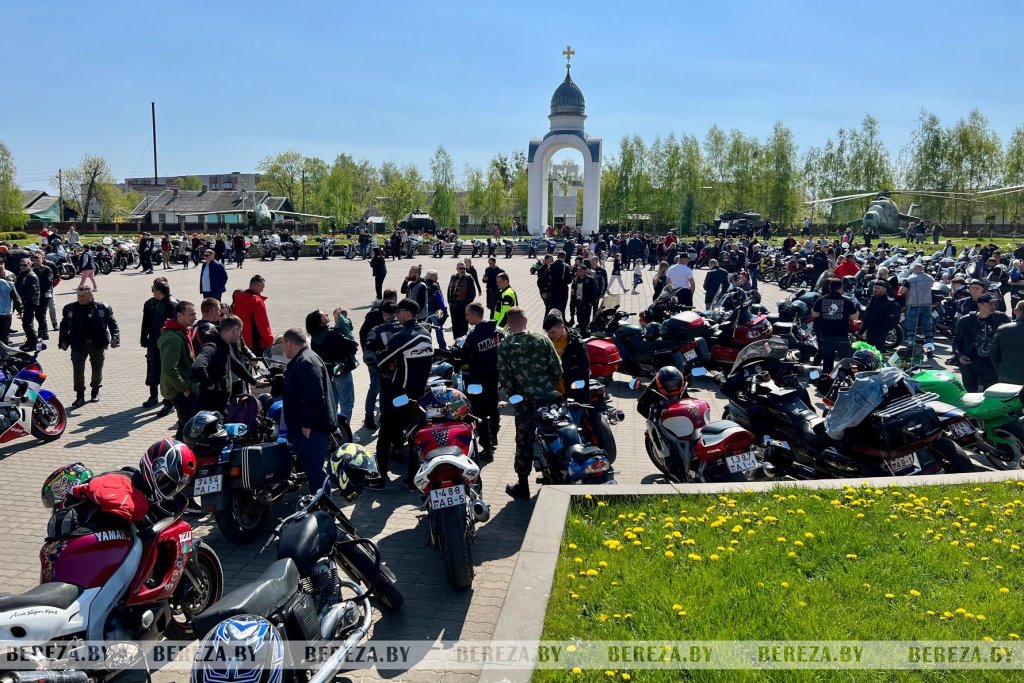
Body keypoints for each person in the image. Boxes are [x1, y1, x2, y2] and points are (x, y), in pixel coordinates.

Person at [497, 307, 562, 500]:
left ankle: (523, 485)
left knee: (524, 441)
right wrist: (546, 385)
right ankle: (562, 473)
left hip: (525, 403)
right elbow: (557, 369)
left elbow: (505, 379)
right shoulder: (541, 339)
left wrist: (516, 394)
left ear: (509, 324)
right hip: (549, 398)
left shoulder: (505, 346)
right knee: (557, 433)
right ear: (526, 320)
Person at [375, 299, 433, 489]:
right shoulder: (426, 334)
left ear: (407, 313)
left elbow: (381, 362)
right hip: (420, 396)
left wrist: (392, 365)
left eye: (399, 311)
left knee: (384, 436)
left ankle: (380, 479)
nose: (396, 314)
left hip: (400, 396)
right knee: (415, 438)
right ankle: (412, 480)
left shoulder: (401, 337)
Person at [280, 328, 337, 494]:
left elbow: (314, 397)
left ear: (290, 343)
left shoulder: (306, 362)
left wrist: (306, 425)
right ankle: (319, 509)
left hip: (313, 430)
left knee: (316, 474)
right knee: (313, 472)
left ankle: (324, 513)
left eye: (284, 344)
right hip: (311, 428)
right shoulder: (306, 358)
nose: (283, 349)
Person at [58, 286, 120, 408]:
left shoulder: (103, 308)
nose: (80, 298)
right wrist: (63, 341)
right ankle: (80, 395)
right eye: (78, 296)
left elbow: (113, 324)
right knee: (78, 371)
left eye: (83, 296)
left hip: (97, 344)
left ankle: (95, 390)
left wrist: (115, 338)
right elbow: (64, 326)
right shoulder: (70, 308)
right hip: (78, 344)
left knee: (97, 368)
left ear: (91, 296)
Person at [191, 314, 260, 415]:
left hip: (221, 406)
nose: (240, 335)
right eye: (240, 331)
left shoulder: (224, 346)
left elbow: (236, 366)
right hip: (208, 409)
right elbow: (197, 367)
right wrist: (210, 384)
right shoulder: (212, 347)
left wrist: (255, 382)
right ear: (235, 329)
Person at [460, 302, 500, 460]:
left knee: (479, 412)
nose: (466, 317)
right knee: (493, 407)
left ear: (475, 316)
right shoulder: (495, 331)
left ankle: (487, 448)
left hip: (478, 379)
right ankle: (494, 436)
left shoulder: (474, 335)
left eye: (467, 314)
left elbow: (465, 356)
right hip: (494, 376)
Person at [306, 308, 360, 425]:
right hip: (342, 373)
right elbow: (353, 346)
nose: (326, 314)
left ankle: (333, 430)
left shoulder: (314, 339)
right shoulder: (333, 335)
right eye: (323, 315)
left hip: (328, 375)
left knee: (333, 404)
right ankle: (345, 431)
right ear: (320, 322)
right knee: (347, 403)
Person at [358, 289, 398, 431]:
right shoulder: (374, 315)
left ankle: (382, 416)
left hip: (386, 363)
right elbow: (363, 333)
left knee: (383, 389)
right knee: (376, 387)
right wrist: (368, 353)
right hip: (375, 361)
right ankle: (369, 417)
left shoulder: (392, 321)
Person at [158, 300, 198, 439]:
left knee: (185, 423)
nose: (195, 317)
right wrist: (184, 389)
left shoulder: (182, 332)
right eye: (191, 314)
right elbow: (170, 368)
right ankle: (179, 454)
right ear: (180, 316)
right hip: (178, 390)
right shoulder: (174, 338)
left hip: (181, 387)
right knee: (186, 424)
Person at [953, 293, 1010, 392]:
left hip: (991, 363)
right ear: (980, 305)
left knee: (993, 392)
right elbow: (956, 340)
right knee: (970, 392)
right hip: (970, 362)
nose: (994, 306)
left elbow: (1009, 338)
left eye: (995, 304)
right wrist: (959, 356)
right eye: (990, 304)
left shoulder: (1001, 318)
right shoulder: (966, 320)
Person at [140, 277, 177, 411]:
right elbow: (146, 322)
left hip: (165, 344)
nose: (152, 292)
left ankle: (169, 401)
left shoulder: (171, 304)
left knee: (165, 371)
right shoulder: (150, 303)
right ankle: (153, 396)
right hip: (154, 342)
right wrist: (143, 338)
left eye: (154, 289)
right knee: (153, 369)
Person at [811, 278, 858, 375]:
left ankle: (827, 381)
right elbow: (854, 317)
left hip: (825, 335)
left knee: (827, 362)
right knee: (846, 361)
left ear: (829, 287)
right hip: (841, 336)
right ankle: (847, 379)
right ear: (841, 288)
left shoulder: (821, 300)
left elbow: (814, 314)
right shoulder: (847, 301)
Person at [543, 311, 590, 404]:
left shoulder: (576, 343)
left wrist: (581, 396)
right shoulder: (546, 341)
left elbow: (585, 371)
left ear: (561, 327)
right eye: (548, 333)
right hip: (554, 394)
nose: (550, 335)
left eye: (553, 332)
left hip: (572, 393)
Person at [232, 274, 273, 354]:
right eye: (262, 287)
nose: (262, 290)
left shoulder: (239, 298)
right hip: (254, 342)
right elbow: (263, 326)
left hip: (240, 340)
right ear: (258, 285)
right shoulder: (257, 302)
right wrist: (271, 341)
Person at [861, 280, 900, 351]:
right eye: (874, 288)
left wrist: (883, 331)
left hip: (880, 333)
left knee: (877, 352)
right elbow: (867, 316)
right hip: (870, 331)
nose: (875, 290)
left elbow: (893, 320)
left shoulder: (890, 302)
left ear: (884, 289)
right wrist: (862, 330)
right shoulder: (873, 299)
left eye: (878, 288)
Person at [991, 301, 1024, 384]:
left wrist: (1002, 370)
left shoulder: (1003, 329)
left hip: (1009, 378)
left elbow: (994, 355)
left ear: (1015, 311)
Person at [447, 261, 477, 339]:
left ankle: (463, 343)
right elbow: (449, 290)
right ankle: (456, 341)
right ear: (457, 269)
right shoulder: (453, 277)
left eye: (464, 268)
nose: (462, 270)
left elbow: (472, 294)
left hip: (463, 308)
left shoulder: (469, 278)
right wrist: (450, 302)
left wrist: (465, 305)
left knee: (463, 326)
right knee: (455, 325)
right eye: (460, 268)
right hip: (453, 307)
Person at [14, 258, 39, 351]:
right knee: (26, 323)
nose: (22, 267)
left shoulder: (31, 276)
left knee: (28, 324)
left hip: (29, 303)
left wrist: (23, 305)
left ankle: (33, 343)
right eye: (21, 265)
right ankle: (29, 341)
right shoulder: (23, 275)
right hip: (25, 303)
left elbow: (31, 293)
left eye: (25, 265)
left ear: (30, 265)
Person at [30, 253, 56, 338]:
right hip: (35, 296)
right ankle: (42, 332)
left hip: (44, 295)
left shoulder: (47, 269)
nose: (36, 262)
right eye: (35, 260)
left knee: (41, 314)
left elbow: (49, 282)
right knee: (38, 314)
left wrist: (40, 290)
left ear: (42, 260)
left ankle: (43, 333)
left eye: (38, 260)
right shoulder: (32, 270)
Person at [423, 270, 448, 350]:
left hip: (426, 311)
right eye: (435, 276)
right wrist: (444, 309)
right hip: (437, 310)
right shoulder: (435, 285)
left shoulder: (424, 284)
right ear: (431, 277)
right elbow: (439, 298)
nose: (437, 278)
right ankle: (443, 348)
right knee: (439, 329)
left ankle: (426, 347)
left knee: (427, 330)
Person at [571, 265, 599, 335]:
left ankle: (585, 331)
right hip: (578, 302)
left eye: (580, 270)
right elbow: (573, 290)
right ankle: (582, 329)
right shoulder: (575, 280)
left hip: (587, 302)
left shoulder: (590, 279)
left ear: (585, 271)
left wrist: (592, 302)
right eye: (578, 270)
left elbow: (595, 292)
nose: (579, 272)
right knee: (579, 316)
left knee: (586, 317)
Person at [546, 251, 572, 315]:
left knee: (552, 310)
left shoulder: (550, 266)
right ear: (564, 257)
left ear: (557, 256)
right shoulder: (566, 266)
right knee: (561, 310)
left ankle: (552, 324)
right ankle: (560, 323)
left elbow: (546, 278)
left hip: (552, 291)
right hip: (563, 292)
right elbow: (569, 280)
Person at [0, 260, 20, 345]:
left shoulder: (10, 276)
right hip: (5, 311)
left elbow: (16, 295)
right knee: (3, 333)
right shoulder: (9, 283)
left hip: (6, 310)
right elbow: (16, 297)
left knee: (3, 332)